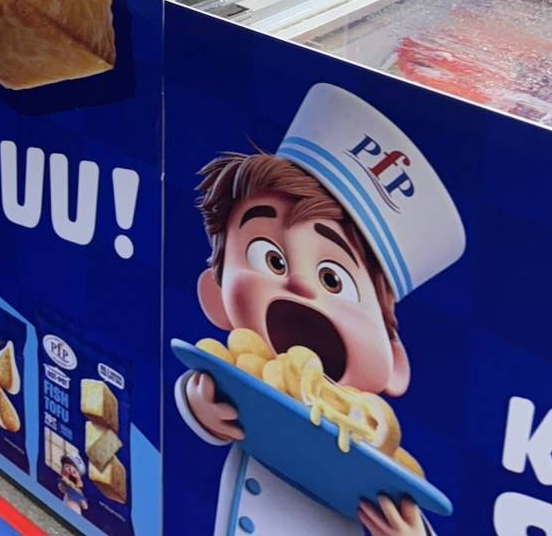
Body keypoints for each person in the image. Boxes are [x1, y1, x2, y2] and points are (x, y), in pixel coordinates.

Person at [176, 81, 464, 535]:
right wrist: (198, 404)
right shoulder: (243, 378)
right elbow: (206, 391)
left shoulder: (370, 442)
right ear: (215, 292)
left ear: (394, 363)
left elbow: (404, 500)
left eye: (334, 279)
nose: (299, 285)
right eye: (272, 260)